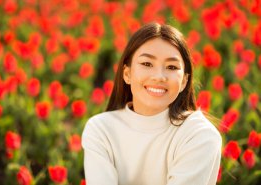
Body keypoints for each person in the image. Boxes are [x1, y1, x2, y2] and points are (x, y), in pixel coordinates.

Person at [81, 23, 222, 185]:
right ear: (127, 74)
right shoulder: (101, 129)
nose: (159, 76)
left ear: (184, 81)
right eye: (147, 64)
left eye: (171, 67)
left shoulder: (198, 135)